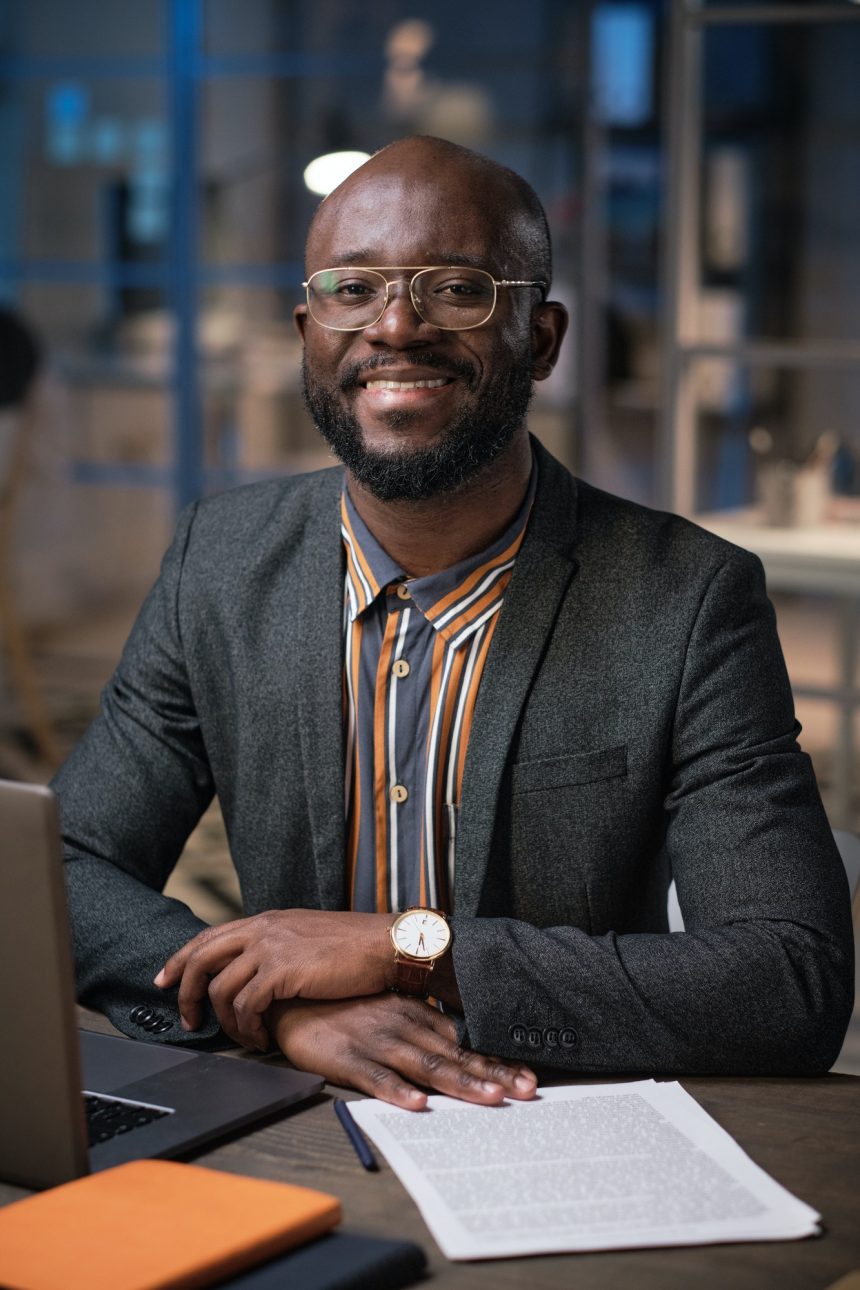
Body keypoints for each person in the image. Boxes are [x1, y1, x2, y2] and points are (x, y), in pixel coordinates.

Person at [54, 137, 854, 1111]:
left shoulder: (686, 600)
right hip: (281, 1100)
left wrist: (405, 947)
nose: (396, 325)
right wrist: (271, 1006)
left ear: (542, 339)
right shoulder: (218, 563)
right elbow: (68, 865)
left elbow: (786, 983)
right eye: (353, 290)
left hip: (548, 1113)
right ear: (307, 329)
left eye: (457, 289)